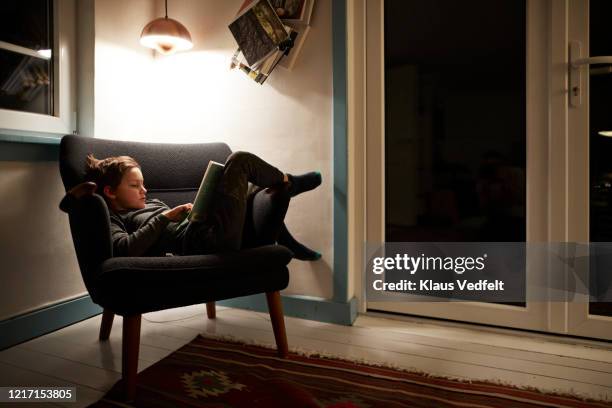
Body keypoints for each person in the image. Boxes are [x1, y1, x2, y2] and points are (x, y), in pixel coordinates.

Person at [60, 151, 322, 259]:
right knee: (240, 160)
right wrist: (165, 218)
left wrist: (197, 208)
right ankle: (290, 182)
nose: (144, 190)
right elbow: (123, 248)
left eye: (143, 184)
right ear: (110, 192)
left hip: (211, 229)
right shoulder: (116, 217)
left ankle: (281, 234)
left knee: (255, 189)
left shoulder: (148, 203)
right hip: (204, 243)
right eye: (135, 186)